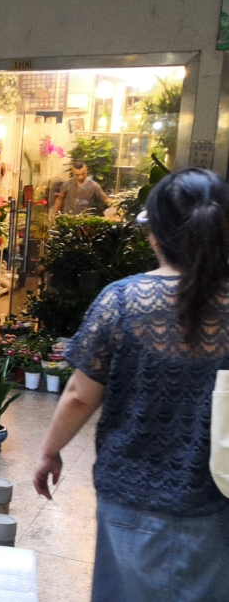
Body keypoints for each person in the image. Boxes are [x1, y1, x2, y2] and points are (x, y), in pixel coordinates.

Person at [33, 168, 229, 602]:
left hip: (130, 495)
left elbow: (80, 396)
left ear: (154, 234)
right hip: (216, 500)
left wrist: (49, 451)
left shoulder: (122, 301)